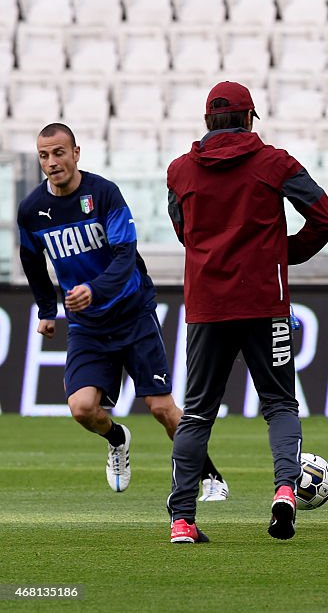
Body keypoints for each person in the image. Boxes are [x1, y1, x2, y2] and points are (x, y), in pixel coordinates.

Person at [165, 81, 328, 543]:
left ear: (207, 123)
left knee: (198, 414)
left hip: (206, 306)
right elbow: (327, 218)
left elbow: (184, 232)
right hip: (265, 303)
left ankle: (182, 519)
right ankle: (285, 489)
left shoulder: (180, 171)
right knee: (280, 405)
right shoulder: (275, 163)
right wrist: (283, 254)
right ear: (249, 119)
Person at [18, 122, 227, 500]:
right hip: (87, 325)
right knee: (81, 408)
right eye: (44, 155)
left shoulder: (104, 195)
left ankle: (210, 475)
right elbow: (32, 261)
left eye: (59, 153)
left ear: (76, 153)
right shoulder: (33, 210)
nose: (52, 162)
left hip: (132, 313)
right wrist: (47, 310)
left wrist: (93, 290)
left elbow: (125, 256)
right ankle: (117, 439)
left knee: (162, 408)